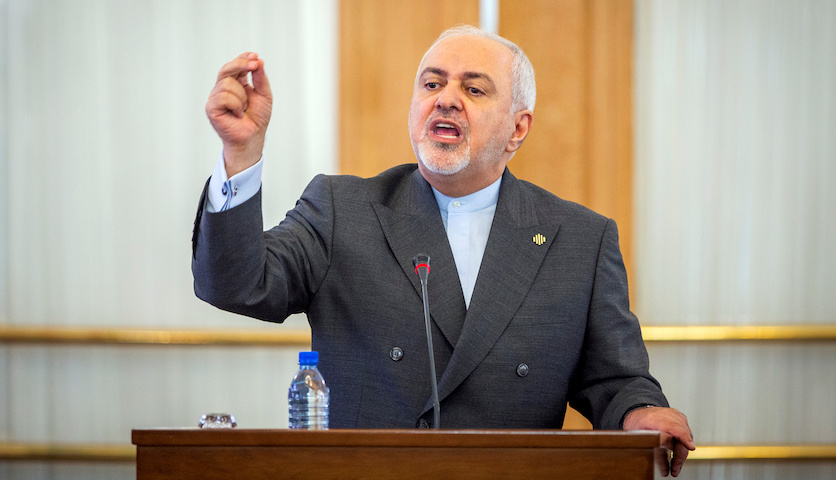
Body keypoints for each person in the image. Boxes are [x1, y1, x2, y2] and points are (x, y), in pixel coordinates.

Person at [193, 25, 695, 476]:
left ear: (518, 128)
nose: (446, 100)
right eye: (432, 84)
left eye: (473, 89)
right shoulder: (341, 209)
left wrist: (642, 412)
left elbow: (616, 378)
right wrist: (241, 154)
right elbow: (237, 284)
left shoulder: (580, 239)